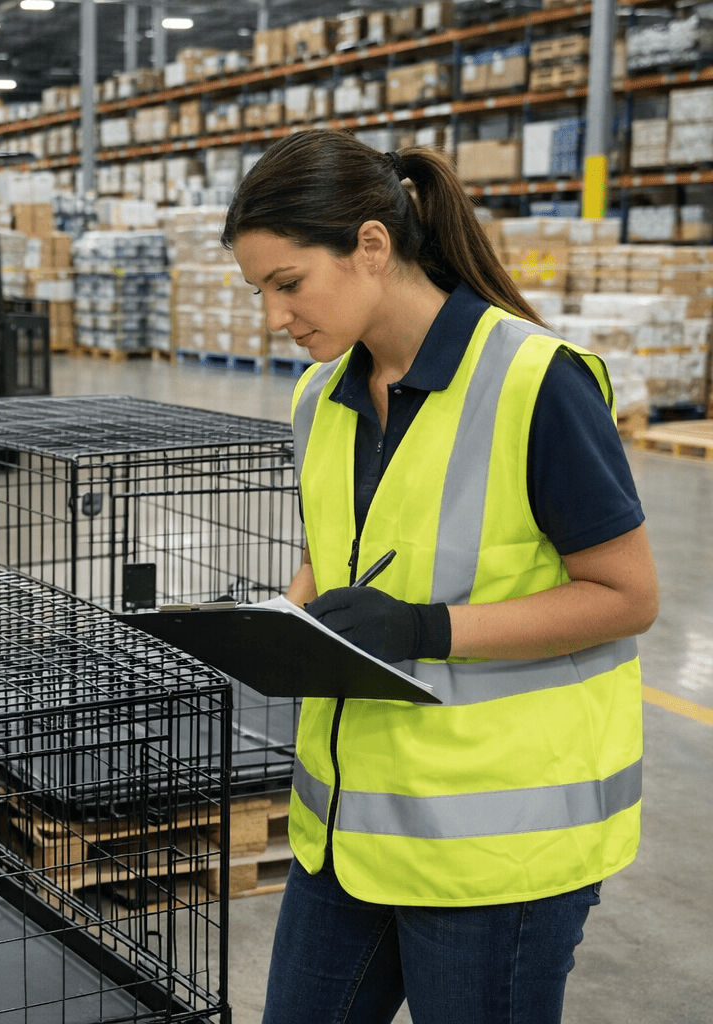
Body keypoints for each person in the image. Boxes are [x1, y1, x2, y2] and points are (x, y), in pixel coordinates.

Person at [221, 129, 658, 1024]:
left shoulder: (535, 382)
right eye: (259, 290)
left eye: (288, 283)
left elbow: (627, 595)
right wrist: (270, 620)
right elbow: (339, 552)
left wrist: (425, 629)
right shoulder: (320, 395)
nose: (273, 316)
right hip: (346, 831)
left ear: (371, 248)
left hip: (494, 857)